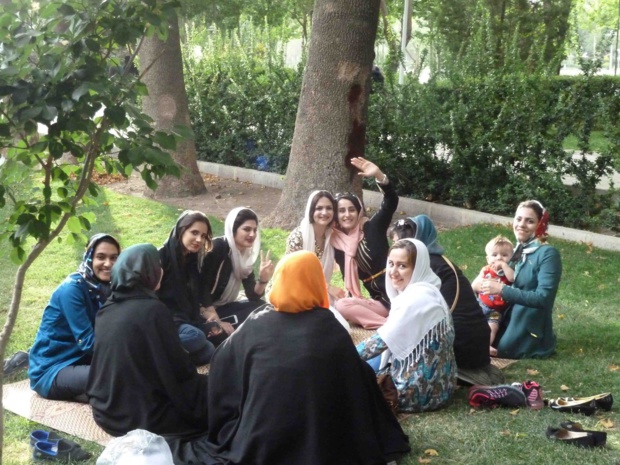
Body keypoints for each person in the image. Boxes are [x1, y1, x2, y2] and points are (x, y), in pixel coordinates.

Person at [205, 251, 410, 465]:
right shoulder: (328, 326)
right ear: (316, 283)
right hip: (324, 440)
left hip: (261, 438)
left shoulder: (256, 323)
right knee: (363, 371)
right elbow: (353, 379)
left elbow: (221, 362)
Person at [88, 244, 209, 458]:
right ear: (148, 273)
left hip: (105, 409)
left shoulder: (107, 308)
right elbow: (177, 370)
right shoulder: (153, 310)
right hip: (139, 417)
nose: (161, 271)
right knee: (212, 396)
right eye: (157, 266)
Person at [389, 215, 503, 386]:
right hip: (478, 344)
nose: (398, 249)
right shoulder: (440, 261)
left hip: (461, 346)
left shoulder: (426, 268)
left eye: (402, 244)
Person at [357, 239, 457, 413]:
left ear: (417, 268)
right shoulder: (431, 290)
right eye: (391, 264)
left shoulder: (416, 300)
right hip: (443, 389)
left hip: (414, 394)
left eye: (402, 266)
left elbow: (378, 344)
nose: (393, 272)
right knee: (371, 363)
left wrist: (342, 356)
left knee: (355, 371)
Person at [28, 233, 121, 401]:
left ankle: (88, 393)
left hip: (81, 360)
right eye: (101, 257)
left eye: (114, 257)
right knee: (117, 376)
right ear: (89, 258)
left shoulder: (108, 287)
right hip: (53, 368)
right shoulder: (72, 290)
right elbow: (87, 342)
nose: (108, 264)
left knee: (129, 374)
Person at [482, 200, 562, 359]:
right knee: (470, 334)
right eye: (518, 219)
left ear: (541, 225)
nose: (522, 225)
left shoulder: (548, 254)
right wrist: (479, 285)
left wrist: (502, 290)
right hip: (504, 310)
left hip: (528, 316)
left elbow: (544, 298)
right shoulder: (516, 249)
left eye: (530, 221)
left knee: (503, 349)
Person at [331, 157, 398, 329]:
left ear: (359, 211)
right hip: (381, 303)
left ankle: (394, 325)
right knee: (341, 305)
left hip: (400, 292)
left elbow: (390, 202)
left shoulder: (371, 227)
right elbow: (348, 281)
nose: (347, 215)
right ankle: (388, 327)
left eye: (352, 209)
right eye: (341, 211)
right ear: (336, 216)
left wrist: (379, 175)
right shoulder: (338, 244)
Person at [200, 207, 274, 334]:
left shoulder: (245, 254)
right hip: (204, 310)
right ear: (233, 229)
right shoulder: (218, 248)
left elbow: (252, 295)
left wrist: (263, 279)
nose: (252, 234)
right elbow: (202, 288)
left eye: (255, 230)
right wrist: (218, 321)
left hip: (225, 306)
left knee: (266, 309)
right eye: (246, 229)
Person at [158, 210, 216, 365]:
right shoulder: (161, 258)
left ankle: (169, 361)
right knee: (196, 338)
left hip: (184, 321)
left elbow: (191, 298)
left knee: (209, 349)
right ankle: (152, 355)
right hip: (163, 323)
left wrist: (204, 313)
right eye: (194, 233)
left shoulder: (191, 261)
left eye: (203, 236)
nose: (199, 240)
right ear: (181, 231)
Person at [285, 190, 344, 303]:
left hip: (319, 292)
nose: (324, 212)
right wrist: (327, 287)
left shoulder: (331, 236)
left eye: (329, 208)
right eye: (319, 208)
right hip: (292, 291)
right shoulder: (298, 237)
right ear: (311, 210)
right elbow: (293, 273)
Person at [471, 235, 515, 356]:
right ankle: (471, 342)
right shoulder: (486, 270)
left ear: (511, 258)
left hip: (496, 310)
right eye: (495, 255)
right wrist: (477, 286)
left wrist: (505, 266)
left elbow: (512, 278)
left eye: (504, 255)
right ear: (488, 258)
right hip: (480, 304)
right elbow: (473, 285)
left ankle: (486, 346)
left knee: (492, 328)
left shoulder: (508, 272)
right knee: (474, 324)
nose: (499, 258)